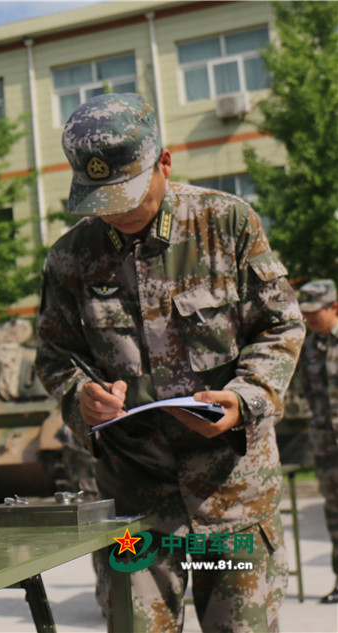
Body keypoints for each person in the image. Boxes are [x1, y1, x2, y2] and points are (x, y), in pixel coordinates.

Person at [34, 93, 304, 632]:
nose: (115, 209)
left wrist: (246, 398)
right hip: (134, 503)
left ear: (164, 162)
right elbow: (55, 356)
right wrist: (80, 396)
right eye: (100, 197)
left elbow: (280, 327)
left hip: (233, 501)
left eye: (126, 192)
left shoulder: (228, 224)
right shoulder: (70, 257)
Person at [295, 278, 338, 603]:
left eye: (314, 312)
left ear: (334, 306)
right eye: (305, 312)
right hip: (326, 446)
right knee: (335, 513)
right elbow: (308, 393)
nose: (308, 318)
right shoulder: (310, 346)